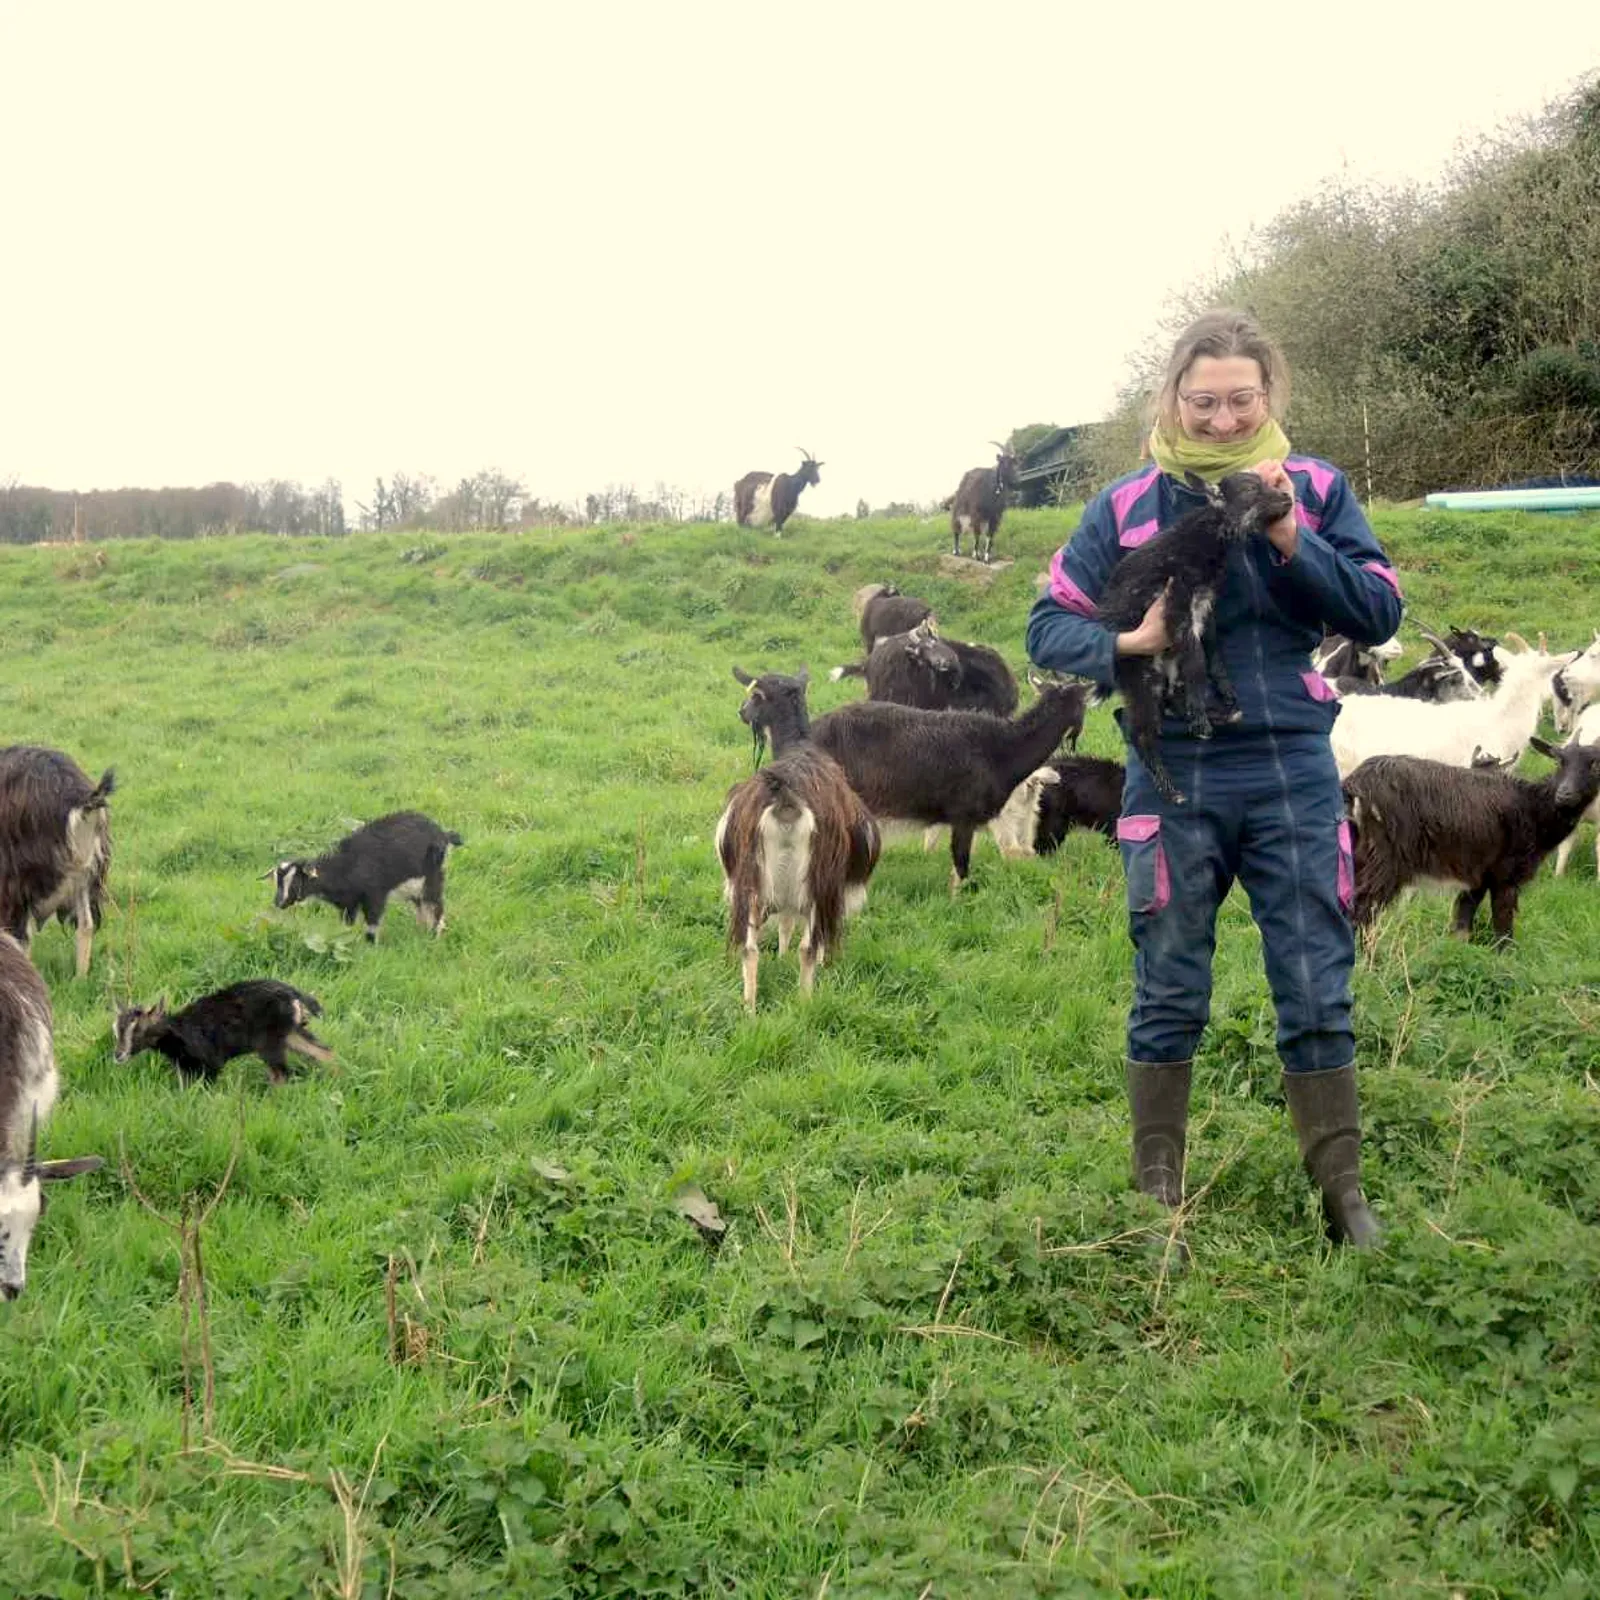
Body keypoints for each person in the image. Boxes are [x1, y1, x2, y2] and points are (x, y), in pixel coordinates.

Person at [1026, 309, 1403, 1248]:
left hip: (1291, 767)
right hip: (1173, 772)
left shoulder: (1317, 487)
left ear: (1268, 395)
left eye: (1242, 400)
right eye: (1204, 402)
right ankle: (1158, 1192)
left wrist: (1291, 535)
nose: (1224, 418)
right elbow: (1047, 626)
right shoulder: (1123, 507)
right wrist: (1128, 642)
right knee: (1168, 982)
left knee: (1315, 978)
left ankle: (1343, 1192)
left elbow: (1379, 609)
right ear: (1173, 399)